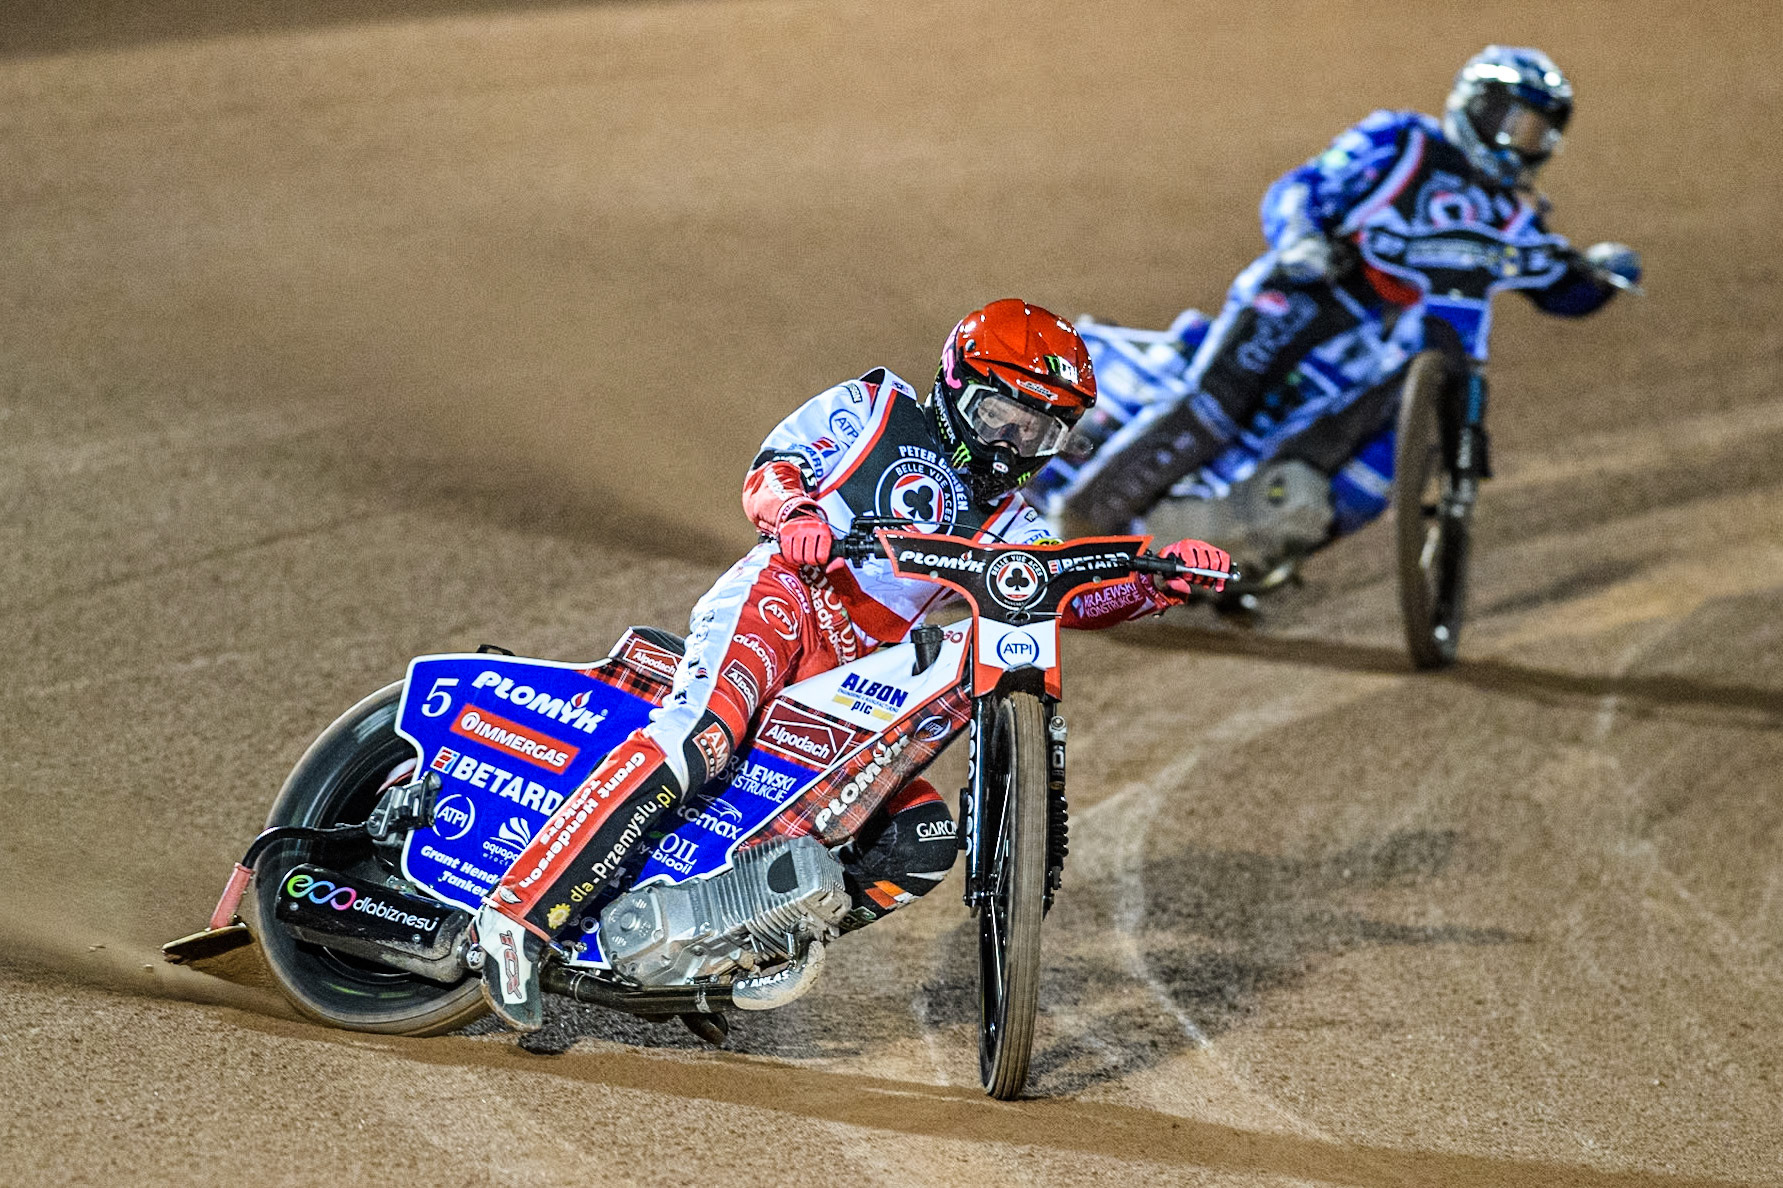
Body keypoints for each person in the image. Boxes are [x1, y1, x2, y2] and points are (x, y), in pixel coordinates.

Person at [472, 299, 1232, 1030]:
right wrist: (796, 515)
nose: (1011, 443)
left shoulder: (1014, 525)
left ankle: (719, 951)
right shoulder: (871, 407)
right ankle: (518, 916)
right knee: (701, 736)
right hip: (781, 599)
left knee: (922, 838)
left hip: (848, 677)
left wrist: (1151, 583)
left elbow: (1060, 598)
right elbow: (775, 468)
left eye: (1038, 432)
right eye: (1001, 416)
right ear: (957, 387)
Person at [1053, 45, 1644, 539]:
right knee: (1218, 401)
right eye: (1520, 126)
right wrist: (1301, 239)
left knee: (1361, 453)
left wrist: (1602, 275)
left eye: (1540, 135)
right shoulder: (1401, 141)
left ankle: (1249, 543)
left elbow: (1563, 290)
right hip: (1317, 291)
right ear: (1482, 111)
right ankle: (1082, 521)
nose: (1528, 146)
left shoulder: (1512, 215)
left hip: (1395, 342)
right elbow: (1301, 187)